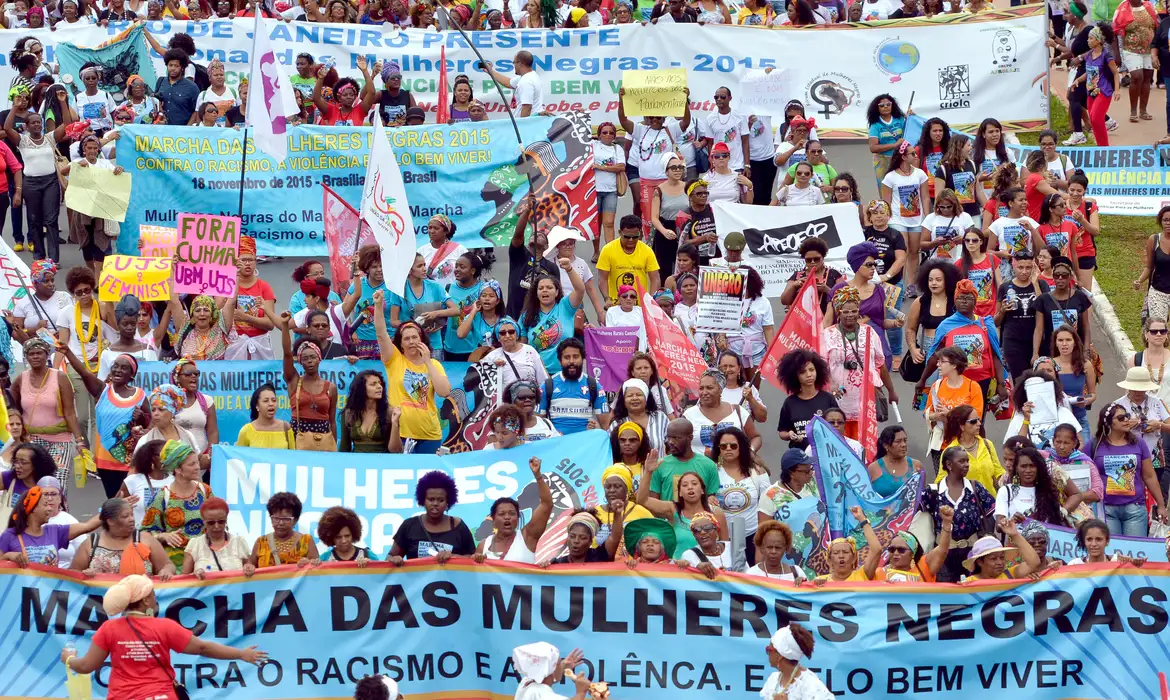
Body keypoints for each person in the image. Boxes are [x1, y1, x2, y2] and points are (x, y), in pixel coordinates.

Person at [62, 575, 267, 697]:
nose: (154, 598)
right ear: (143, 601)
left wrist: (68, 659)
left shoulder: (109, 629)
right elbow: (203, 648)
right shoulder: (165, 627)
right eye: (151, 594)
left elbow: (86, 666)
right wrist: (241, 654)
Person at [59, 344, 148, 498]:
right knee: (114, 501)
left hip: (132, 461)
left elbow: (149, 424)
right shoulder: (102, 390)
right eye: (115, 366)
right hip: (105, 461)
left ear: (132, 375)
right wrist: (68, 352)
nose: (118, 370)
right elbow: (84, 372)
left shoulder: (140, 395)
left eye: (124, 368)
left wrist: (141, 417)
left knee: (129, 502)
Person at [374, 294, 452, 455]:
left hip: (430, 434)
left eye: (415, 337)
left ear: (422, 339)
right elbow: (381, 334)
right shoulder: (394, 359)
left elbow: (444, 392)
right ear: (400, 344)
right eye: (406, 339)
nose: (411, 341)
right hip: (400, 433)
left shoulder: (434, 365)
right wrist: (378, 306)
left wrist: (428, 362)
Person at [919, 279, 1009, 412]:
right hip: (953, 383)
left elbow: (995, 355)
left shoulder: (986, 324)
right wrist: (923, 379)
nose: (964, 301)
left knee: (976, 422)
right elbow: (935, 356)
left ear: (975, 301)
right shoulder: (945, 326)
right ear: (955, 300)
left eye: (968, 298)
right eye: (960, 297)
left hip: (982, 383)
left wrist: (1001, 384)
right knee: (951, 421)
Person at [822, 287, 898, 438]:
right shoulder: (828, 334)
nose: (850, 315)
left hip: (866, 398)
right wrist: (831, 383)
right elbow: (822, 366)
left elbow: (880, 364)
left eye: (854, 311)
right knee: (842, 441)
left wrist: (891, 391)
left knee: (865, 443)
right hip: (839, 398)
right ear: (838, 312)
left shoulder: (869, 332)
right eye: (845, 312)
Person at [12, 338, 84, 497]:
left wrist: (79, 441)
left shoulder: (59, 377)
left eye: (39, 353)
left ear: (47, 356)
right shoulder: (21, 379)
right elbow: (12, 408)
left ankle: (59, 518)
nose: (35, 357)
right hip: (32, 440)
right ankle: (36, 519)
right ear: (26, 357)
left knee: (57, 482)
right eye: (31, 354)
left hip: (60, 439)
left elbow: (70, 412)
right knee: (34, 483)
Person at [919, 445, 996, 582]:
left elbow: (994, 513)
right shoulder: (933, 492)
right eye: (961, 461)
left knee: (973, 591)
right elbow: (917, 518)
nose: (967, 465)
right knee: (947, 596)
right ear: (949, 465)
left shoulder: (975, 488)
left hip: (973, 555)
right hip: (943, 557)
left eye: (967, 461)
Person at [1091, 401, 1168, 535]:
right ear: (1108, 422)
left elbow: (1149, 476)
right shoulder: (1095, 445)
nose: (1126, 420)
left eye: (1127, 416)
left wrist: (1161, 505)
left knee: (1135, 553)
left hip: (1135, 509)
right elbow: (1082, 469)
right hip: (1106, 509)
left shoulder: (1139, 443)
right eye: (1121, 418)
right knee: (1112, 554)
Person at [637, 453, 727, 559]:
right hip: (679, 571)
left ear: (702, 490)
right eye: (684, 485)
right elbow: (642, 500)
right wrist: (648, 472)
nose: (690, 487)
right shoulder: (672, 509)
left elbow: (726, 547)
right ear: (679, 493)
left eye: (694, 484)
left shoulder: (716, 512)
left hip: (709, 570)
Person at [140, 440, 212, 567]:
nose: (197, 467)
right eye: (192, 464)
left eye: (197, 462)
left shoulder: (204, 490)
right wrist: (163, 536)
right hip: (175, 562)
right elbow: (145, 532)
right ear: (178, 469)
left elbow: (218, 517)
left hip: (205, 557)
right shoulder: (162, 497)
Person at [825, 242, 893, 368]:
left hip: (877, 344)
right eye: (869, 264)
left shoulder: (879, 290)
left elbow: (882, 322)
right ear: (857, 266)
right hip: (849, 344)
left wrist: (895, 323)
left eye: (875, 264)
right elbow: (827, 322)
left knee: (877, 384)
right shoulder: (840, 289)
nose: (873, 268)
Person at [275, 314, 337, 450]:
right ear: (300, 361)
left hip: (324, 442)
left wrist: (334, 449)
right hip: (299, 440)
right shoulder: (294, 381)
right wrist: (285, 325)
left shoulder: (330, 387)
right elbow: (287, 354)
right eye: (305, 358)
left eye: (313, 357)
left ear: (319, 358)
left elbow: (332, 421)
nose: (309, 361)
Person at [474, 457, 552, 563]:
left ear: (518, 518)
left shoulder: (527, 537)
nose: (507, 517)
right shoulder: (483, 545)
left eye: (512, 513)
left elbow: (546, 504)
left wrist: (538, 476)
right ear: (493, 519)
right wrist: (476, 559)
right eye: (502, 514)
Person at [70, 498, 175, 577]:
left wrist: (166, 571)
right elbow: (73, 572)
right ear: (110, 521)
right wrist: (85, 574)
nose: (131, 519)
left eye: (132, 515)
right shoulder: (92, 543)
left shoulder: (145, 539)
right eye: (125, 516)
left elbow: (167, 565)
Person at [710, 426, 769, 565]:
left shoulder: (757, 472)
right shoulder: (711, 471)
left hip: (753, 537)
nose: (728, 449)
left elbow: (767, 505)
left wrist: (763, 538)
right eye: (723, 446)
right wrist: (707, 499)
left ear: (741, 447)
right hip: (722, 538)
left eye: (733, 445)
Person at [0, 487, 100, 566]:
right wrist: (8, 556)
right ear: (33, 508)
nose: (50, 509)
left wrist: (112, 506)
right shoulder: (10, 535)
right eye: (45, 504)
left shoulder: (55, 531)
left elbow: (89, 525)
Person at [389, 471, 475, 562]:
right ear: (423, 500)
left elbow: (472, 558)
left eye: (440, 500)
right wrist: (394, 559)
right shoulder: (409, 525)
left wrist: (453, 557)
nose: (435, 504)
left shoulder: (458, 526)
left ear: (447, 502)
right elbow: (390, 556)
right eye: (431, 499)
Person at [519, 259, 585, 374]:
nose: (545, 290)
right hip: (538, 373)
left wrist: (569, 269)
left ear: (557, 292)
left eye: (549, 288)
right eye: (541, 288)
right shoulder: (527, 315)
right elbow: (523, 348)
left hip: (565, 372)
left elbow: (580, 290)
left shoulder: (565, 306)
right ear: (536, 293)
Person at [881, 142, 931, 292]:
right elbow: (886, 202)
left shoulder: (920, 174)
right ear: (903, 157)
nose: (916, 156)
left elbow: (925, 198)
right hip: (897, 219)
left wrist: (927, 218)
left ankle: (912, 284)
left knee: (915, 251)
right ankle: (898, 285)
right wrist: (886, 220)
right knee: (903, 251)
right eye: (912, 154)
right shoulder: (890, 177)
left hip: (916, 219)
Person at [996, 251, 1049, 379]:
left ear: (1034, 267)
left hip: (1038, 340)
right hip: (1013, 341)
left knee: (1040, 380)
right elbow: (996, 322)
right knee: (1020, 380)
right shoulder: (1005, 287)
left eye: (1028, 267)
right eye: (1020, 267)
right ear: (1013, 266)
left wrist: (1035, 283)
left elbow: (1046, 309)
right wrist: (1002, 311)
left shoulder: (1041, 285)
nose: (1024, 271)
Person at [539, 338, 608, 434]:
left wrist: (597, 428)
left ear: (583, 359)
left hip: (584, 446)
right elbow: (537, 425)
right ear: (560, 361)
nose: (571, 361)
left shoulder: (594, 386)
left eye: (575, 356)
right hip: (557, 445)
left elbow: (606, 428)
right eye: (567, 357)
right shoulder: (547, 386)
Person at [683, 370, 761, 454]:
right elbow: (678, 442)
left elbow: (756, 437)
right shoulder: (689, 415)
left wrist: (751, 451)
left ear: (720, 389)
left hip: (733, 466)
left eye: (709, 388)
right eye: (701, 388)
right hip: (698, 467)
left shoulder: (738, 411)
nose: (704, 392)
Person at [926, 347, 984, 457]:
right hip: (941, 446)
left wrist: (949, 414)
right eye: (938, 361)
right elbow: (928, 414)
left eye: (942, 361)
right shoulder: (936, 386)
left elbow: (975, 419)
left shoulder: (973, 387)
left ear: (954, 365)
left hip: (966, 446)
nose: (938, 364)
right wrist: (937, 416)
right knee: (942, 475)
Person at [1034, 257, 1093, 361]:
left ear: (1070, 277)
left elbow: (1085, 326)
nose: (1060, 278)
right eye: (1057, 275)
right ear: (1053, 277)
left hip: (1076, 350)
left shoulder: (1080, 297)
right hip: (1051, 351)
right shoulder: (1043, 300)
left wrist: (1086, 349)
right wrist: (1035, 353)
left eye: (1064, 275)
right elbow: (1039, 329)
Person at [996, 445, 1071, 527]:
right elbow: (998, 526)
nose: (1028, 470)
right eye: (1023, 466)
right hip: (1016, 538)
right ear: (1016, 468)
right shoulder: (1006, 491)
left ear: (1039, 468)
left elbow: (1057, 524)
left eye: (1032, 466)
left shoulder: (1048, 491)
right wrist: (1011, 521)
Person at [648, 419, 720, 502]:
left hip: (699, 515)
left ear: (690, 438)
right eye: (669, 437)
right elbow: (653, 503)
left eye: (676, 438)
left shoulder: (708, 465)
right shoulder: (660, 465)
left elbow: (712, 501)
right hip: (667, 514)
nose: (670, 442)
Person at [343, 245, 395, 359]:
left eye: (382, 266)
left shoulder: (393, 287)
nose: (379, 270)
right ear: (366, 268)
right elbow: (344, 311)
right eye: (374, 267)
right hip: (361, 342)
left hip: (388, 339)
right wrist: (352, 331)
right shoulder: (357, 285)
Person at [1070, 26, 1120, 146]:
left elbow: (1115, 72)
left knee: (1097, 118)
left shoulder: (1106, 56)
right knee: (1094, 120)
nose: (1088, 40)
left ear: (1098, 40)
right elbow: (1089, 72)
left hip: (1103, 91)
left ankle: (1104, 148)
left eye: (1091, 38)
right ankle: (1100, 147)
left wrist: (1117, 90)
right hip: (1090, 92)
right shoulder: (1089, 55)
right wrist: (1078, 80)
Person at [597, 214, 662, 305]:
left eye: (635, 237)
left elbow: (655, 279)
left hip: (640, 307)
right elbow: (602, 279)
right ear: (620, 232)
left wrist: (650, 301)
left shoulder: (647, 251)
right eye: (627, 237)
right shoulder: (608, 250)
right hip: (616, 305)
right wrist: (607, 299)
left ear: (640, 233)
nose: (631, 240)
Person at [760, 624, 834, 700]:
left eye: (769, 649)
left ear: (780, 655)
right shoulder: (774, 679)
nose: (768, 653)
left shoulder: (810, 685)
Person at [181, 496, 251, 577]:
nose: (217, 526)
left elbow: (250, 569)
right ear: (204, 522)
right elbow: (184, 578)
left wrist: (249, 568)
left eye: (221, 521)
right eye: (211, 523)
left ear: (226, 520)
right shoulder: (194, 544)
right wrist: (195, 575)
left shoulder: (239, 542)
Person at [250, 492, 320, 569]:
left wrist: (309, 564)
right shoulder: (261, 542)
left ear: (295, 520)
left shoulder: (306, 541)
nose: (280, 523)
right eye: (276, 518)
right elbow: (249, 569)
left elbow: (317, 571)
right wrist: (248, 568)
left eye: (286, 519)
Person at [814, 506, 883, 583]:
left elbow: (877, 550)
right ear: (829, 560)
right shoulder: (820, 581)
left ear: (854, 558)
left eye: (845, 552)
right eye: (836, 553)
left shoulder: (863, 575)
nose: (841, 556)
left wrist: (862, 520)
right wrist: (799, 582)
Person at [170, 359, 219, 463]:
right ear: (177, 378)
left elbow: (212, 432)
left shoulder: (207, 401)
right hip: (176, 462)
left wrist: (210, 457)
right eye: (188, 374)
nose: (194, 376)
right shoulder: (168, 402)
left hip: (202, 461)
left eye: (196, 374)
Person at [340, 370, 401, 453]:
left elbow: (396, 450)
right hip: (356, 463)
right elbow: (344, 448)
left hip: (381, 463)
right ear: (361, 388)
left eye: (380, 383)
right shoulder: (349, 413)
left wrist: (395, 423)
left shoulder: (389, 413)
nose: (379, 386)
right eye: (373, 384)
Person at [962, 519, 1044, 580]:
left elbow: (1034, 563)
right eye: (993, 558)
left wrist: (1015, 535)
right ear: (980, 562)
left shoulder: (1011, 574)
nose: (1000, 562)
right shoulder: (969, 583)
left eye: (1002, 557)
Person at [780, 238, 844, 316]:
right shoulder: (798, 275)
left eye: (816, 259)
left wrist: (828, 290)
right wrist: (794, 286)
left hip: (828, 320)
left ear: (823, 257)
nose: (812, 262)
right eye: (808, 260)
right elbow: (784, 301)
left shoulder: (833, 274)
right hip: (803, 321)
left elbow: (845, 299)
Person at [11, 260, 70, 340]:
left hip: (64, 350)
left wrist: (65, 332)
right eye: (46, 281)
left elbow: (77, 322)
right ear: (35, 283)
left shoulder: (64, 297)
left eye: (52, 280)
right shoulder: (23, 304)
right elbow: (16, 333)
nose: (51, 284)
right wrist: (34, 330)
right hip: (37, 351)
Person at [168, 294, 237, 362]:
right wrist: (171, 282)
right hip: (189, 372)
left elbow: (232, 302)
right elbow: (174, 301)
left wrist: (236, 282)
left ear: (212, 315)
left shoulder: (220, 330)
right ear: (193, 314)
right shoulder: (184, 329)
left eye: (206, 310)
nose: (202, 314)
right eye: (197, 310)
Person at [313, 59, 375, 126]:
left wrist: (364, 71)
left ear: (355, 96)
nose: (349, 97)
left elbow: (372, 93)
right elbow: (316, 99)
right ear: (339, 98)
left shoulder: (360, 110)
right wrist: (320, 78)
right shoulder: (331, 111)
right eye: (345, 95)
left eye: (351, 94)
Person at [866, 94, 908, 192]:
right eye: (882, 105)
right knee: (886, 189)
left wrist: (912, 117)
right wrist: (895, 145)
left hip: (901, 158)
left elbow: (911, 131)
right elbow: (873, 148)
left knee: (904, 187)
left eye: (888, 104)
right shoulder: (875, 126)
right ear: (877, 108)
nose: (885, 107)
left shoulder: (900, 119)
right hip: (883, 162)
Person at [482, 52, 543, 117]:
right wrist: (490, 71)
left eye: (514, 62)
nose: (514, 65)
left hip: (527, 123)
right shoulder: (530, 76)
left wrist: (523, 125)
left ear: (520, 63)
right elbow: (508, 83)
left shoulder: (526, 81)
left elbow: (527, 107)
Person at [867, 427, 924, 497]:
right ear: (886, 445)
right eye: (898, 441)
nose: (904, 445)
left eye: (905, 440)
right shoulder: (873, 468)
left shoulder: (916, 465)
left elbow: (921, 497)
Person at [235, 384, 294, 449]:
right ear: (257, 406)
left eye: (274, 400)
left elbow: (292, 456)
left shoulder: (285, 427)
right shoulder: (246, 431)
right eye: (266, 401)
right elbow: (239, 457)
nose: (271, 404)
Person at [418, 214, 468, 290]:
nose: (432, 231)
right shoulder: (421, 251)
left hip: (452, 295)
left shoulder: (459, 250)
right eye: (430, 228)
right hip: (429, 295)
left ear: (445, 231)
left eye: (436, 228)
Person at [0, 441, 54, 509]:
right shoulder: (9, 477)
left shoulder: (49, 485)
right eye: (16, 461)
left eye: (23, 462)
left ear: (37, 464)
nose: (17, 466)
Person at [155, 49, 200, 127]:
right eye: (170, 65)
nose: (173, 68)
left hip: (182, 133)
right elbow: (154, 104)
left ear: (182, 68)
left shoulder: (192, 87)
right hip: (161, 131)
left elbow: (196, 111)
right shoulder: (160, 81)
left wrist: (187, 128)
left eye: (176, 66)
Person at [718, 350, 766, 423]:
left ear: (739, 368)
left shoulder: (748, 387)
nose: (728, 370)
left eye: (731, 366)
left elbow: (762, 418)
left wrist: (751, 399)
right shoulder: (712, 388)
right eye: (724, 366)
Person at [374, 60, 417, 126]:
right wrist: (372, 76)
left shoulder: (407, 95)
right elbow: (364, 98)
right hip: (385, 133)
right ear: (386, 81)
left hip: (404, 132)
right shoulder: (381, 94)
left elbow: (416, 115)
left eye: (398, 77)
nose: (396, 79)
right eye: (393, 78)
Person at [605, 284, 648, 350]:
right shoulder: (611, 311)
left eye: (632, 296)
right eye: (625, 296)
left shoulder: (641, 311)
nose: (628, 299)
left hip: (638, 349)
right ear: (619, 298)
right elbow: (610, 333)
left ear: (635, 299)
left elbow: (644, 333)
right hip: (618, 348)